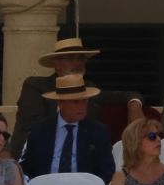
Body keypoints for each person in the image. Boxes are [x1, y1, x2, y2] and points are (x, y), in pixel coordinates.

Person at [13, 37, 141, 151]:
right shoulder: (36, 86)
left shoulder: (90, 89)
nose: (78, 63)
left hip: (82, 158)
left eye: (81, 58)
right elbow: (34, 126)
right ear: (56, 64)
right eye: (70, 58)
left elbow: (127, 94)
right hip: (37, 153)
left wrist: (134, 104)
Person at [19, 76, 115, 181]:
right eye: (76, 102)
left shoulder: (98, 132)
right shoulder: (40, 130)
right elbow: (25, 167)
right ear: (60, 103)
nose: (82, 107)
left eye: (85, 101)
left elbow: (107, 172)